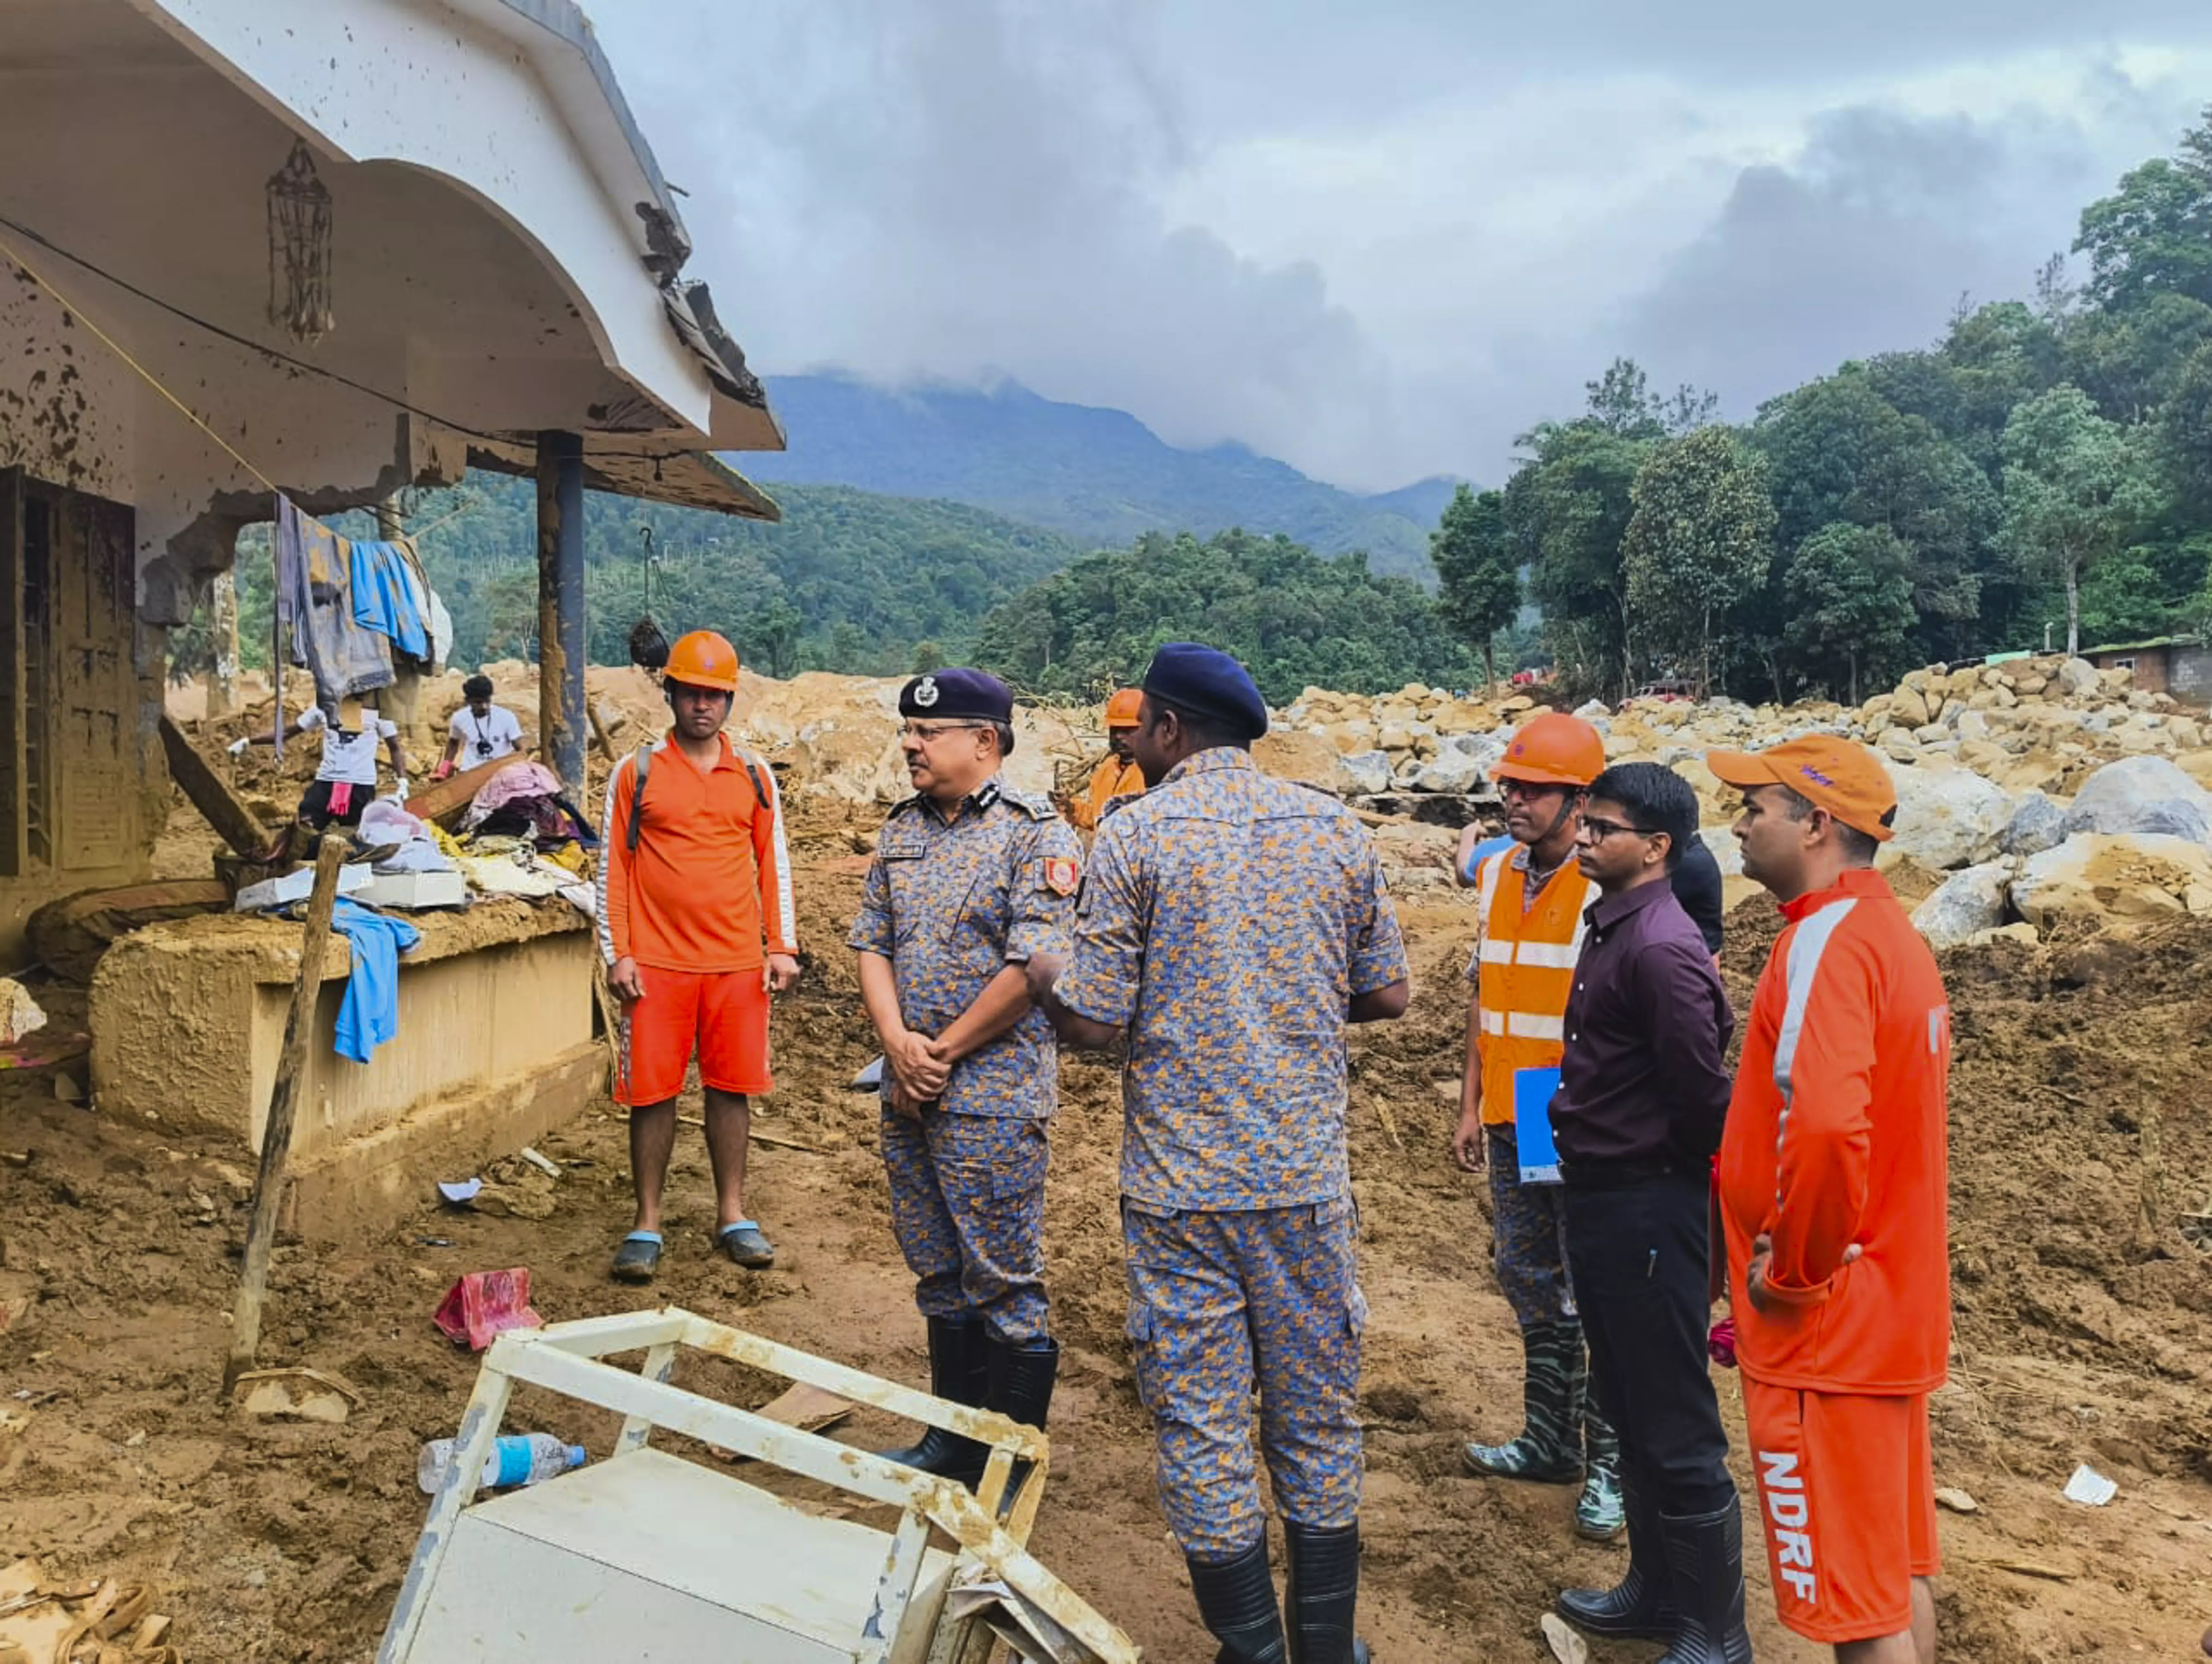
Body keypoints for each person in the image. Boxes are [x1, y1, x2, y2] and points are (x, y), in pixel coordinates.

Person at [1029, 642, 1411, 1664]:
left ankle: (1251, 1647)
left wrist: (1047, 968)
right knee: (1317, 1417)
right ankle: (1326, 1643)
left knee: (1203, 1421)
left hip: (1181, 1190)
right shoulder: (1335, 827)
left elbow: (1097, 1021)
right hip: (1302, 1183)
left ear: (1166, 728)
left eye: (1141, 724)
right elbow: (1389, 991)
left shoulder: (1135, 833)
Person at [1707, 737, 1950, 1664]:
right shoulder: (1894, 936)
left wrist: (1792, 1275)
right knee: (1893, 1573)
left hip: (1827, 1334)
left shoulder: (1827, 940)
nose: (1737, 822)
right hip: (1888, 1312)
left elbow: (1821, 1129)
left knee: (1855, 1607)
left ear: (1815, 823)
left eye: (1756, 806)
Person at [851, 668, 1082, 1485]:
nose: (909, 744)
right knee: (938, 1271)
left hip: (991, 1097)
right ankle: (954, 1440)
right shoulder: (901, 829)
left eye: (928, 732)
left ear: (984, 742)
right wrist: (897, 1046)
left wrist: (937, 1051)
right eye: (908, 731)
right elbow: (871, 941)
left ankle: (1009, 1464)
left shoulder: (1037, 835)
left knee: (1002, 1277)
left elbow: (1034, 969)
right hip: (908, 1087)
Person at [1547, 763, 1747, 1663]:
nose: (1583, 838)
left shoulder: (1660, 945)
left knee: (1673, 1411)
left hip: (1649, 1204)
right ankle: (1655, 1591)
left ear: (1656, 847)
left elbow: (1707, 1097)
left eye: (1602, 827)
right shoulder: (1615, 925)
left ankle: (1716, 1627)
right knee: (1627, 1396)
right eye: (1584, 822)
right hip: (1603, 1199)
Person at [1447, 712, 1625, 1541]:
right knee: (1526, 1272)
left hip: (1578, 1118)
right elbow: (1487, 991)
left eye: (1532, 788)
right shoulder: (1496, 872)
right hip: (1513, 1113)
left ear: (1580, 799)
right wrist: (1468, 1102)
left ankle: (1608, 1467)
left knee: (1596, 1284)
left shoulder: (1603, 889)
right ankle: (1549, 1440)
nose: (1513, 799)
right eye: (1509, 786)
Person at [595, 629, 800, 1282]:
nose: (703, 706)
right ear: (672, 694)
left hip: (738, 964)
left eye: (715, 695)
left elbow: (774, 865)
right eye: (692, 693)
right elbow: (614, 869)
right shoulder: (638, 772)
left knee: (731, 1088)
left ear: (729, 701)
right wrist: (618, 952)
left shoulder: (755, 776)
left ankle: (732, 1213)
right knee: (651, 1093)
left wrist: (782, 946)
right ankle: (647, 1220)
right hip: (656, 966)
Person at [233, 697, 406, 830]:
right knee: (305, 830)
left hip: (360, 786)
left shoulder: (378, 713)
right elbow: (287, 733)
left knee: (355, 837)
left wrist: (403, 782)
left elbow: (395, 748)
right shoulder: (325, 707)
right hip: (326, 783)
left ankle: (353, 874)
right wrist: (248, 741)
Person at [1069, 687, 1146, 831]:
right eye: (1115, 729)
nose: (1118, 737)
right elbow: (1097, 816)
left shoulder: (1153, 773)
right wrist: (1072, 810)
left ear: (1147, 729)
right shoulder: (1107, 768)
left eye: (1127, 730)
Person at [433, 674, 526, 779]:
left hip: (499, 774)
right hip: (470, 773)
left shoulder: (507, 717)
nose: (484, 707)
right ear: (468, 701)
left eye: (487, 701)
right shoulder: (459, 718)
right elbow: (453, 744)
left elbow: (520, 749)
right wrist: (444, 771)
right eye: (478, 702)